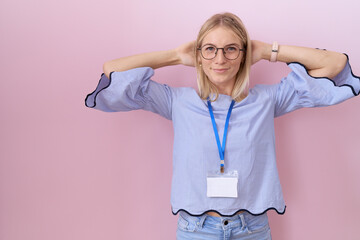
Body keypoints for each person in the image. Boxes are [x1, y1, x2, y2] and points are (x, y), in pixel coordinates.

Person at [85, 12, 359, 240]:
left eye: (231, 49)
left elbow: (335, 64)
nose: (220, 59)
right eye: (210, 49)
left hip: (252, 230)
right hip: (195, 231)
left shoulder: (268, 99)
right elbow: (113, 70)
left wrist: (266, 51)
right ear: (199, 55)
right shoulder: (176, 101)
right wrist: (175, 56)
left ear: (243, 54)